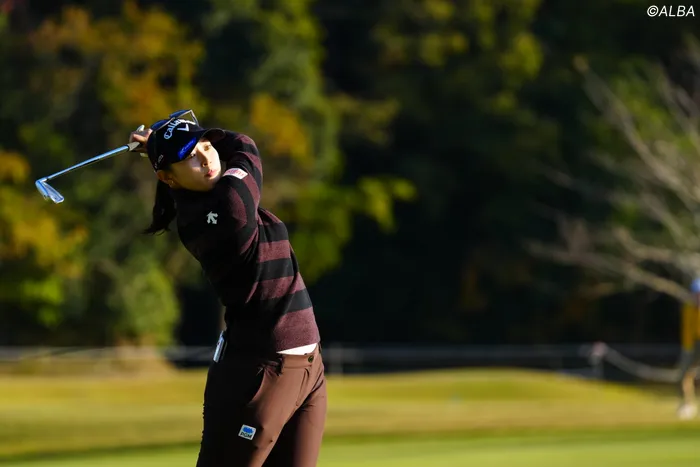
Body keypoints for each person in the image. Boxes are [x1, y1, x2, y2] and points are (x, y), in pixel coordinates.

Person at [129, 110, 327, 466]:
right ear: (168, 178)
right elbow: (244, 145)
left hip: (307, 367)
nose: (206, 158)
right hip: (260, 372)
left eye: (205, 145)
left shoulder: (206, 197)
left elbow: (210, 154)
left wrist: (165, 143)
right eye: (190, 157)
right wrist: (175, 137)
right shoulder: (229, 204)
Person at [677, 277, 700, 420]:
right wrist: (687, 348)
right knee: (686, 375)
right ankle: (688, 405)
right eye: (695, 294)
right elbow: (687, 329)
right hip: (692, 344)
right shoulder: (688, 308)